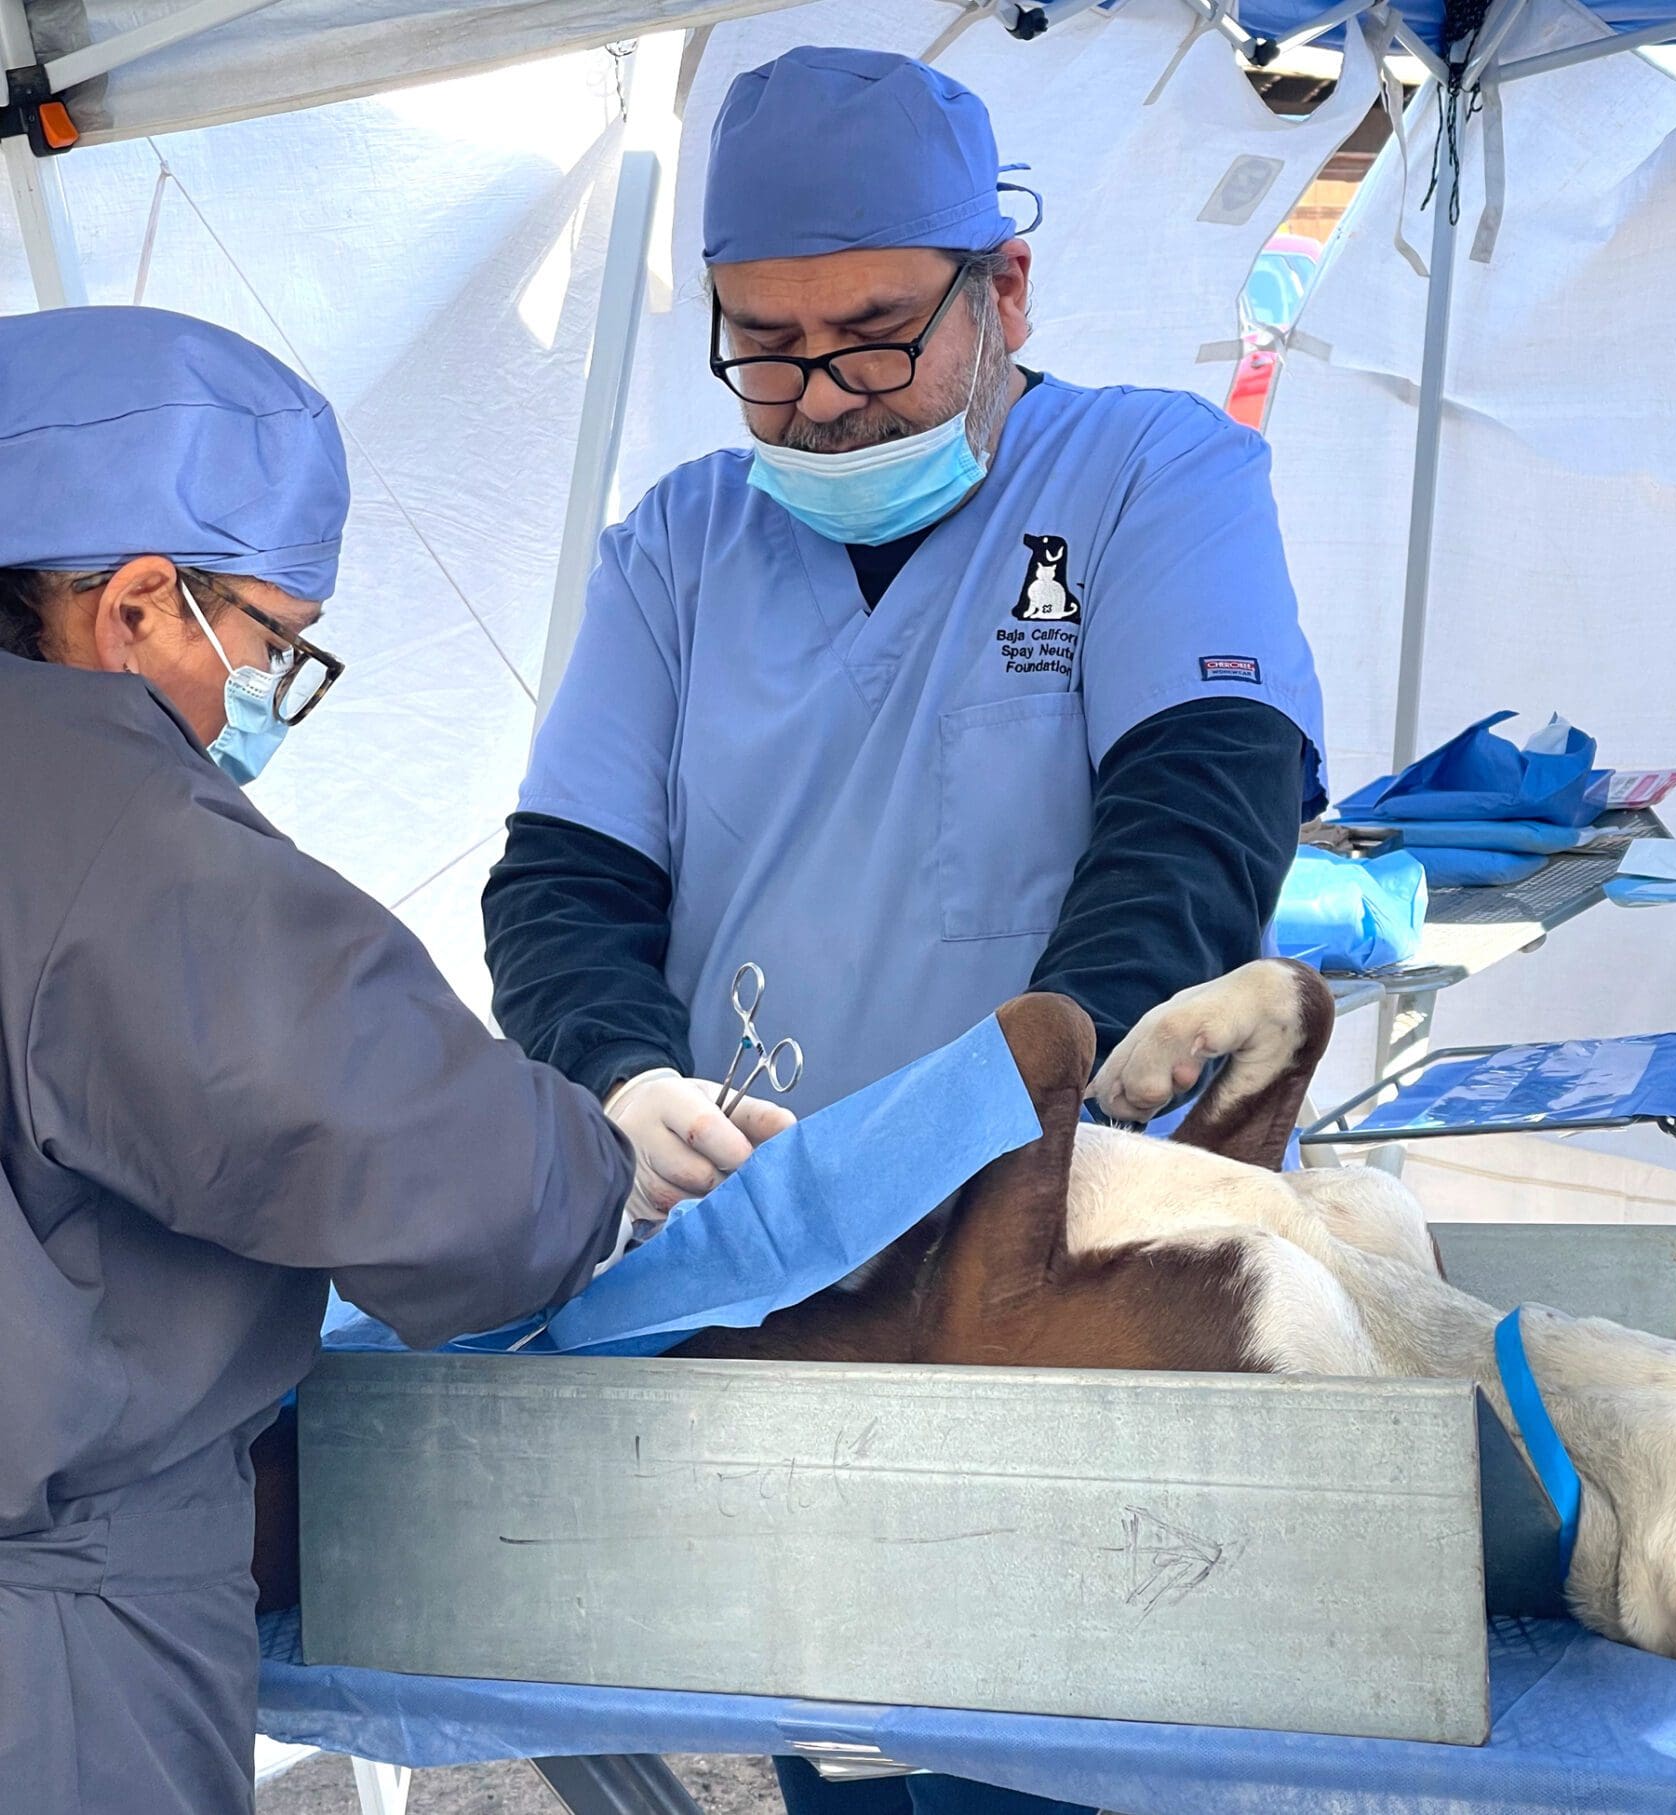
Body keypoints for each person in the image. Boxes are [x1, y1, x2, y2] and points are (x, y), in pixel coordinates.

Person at [484, 47, 1326, 1815]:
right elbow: (563, 882)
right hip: (781, 1259)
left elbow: (1196, 820)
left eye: (873, 333)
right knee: (845, 1725)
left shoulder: (1146, 477)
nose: (820, 399)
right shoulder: (679, 544)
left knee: (1072, 1737)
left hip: (1075, 1236)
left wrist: (1018, 1129)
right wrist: (617, 1074)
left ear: (1000, 285)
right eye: (764, 348)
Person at [0, 305, 634, 1815]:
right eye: (270, 644)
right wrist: (609, 1157)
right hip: (51, 1652)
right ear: (142, 605)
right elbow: (459, 1182)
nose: (253, 703)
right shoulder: (104, 819)